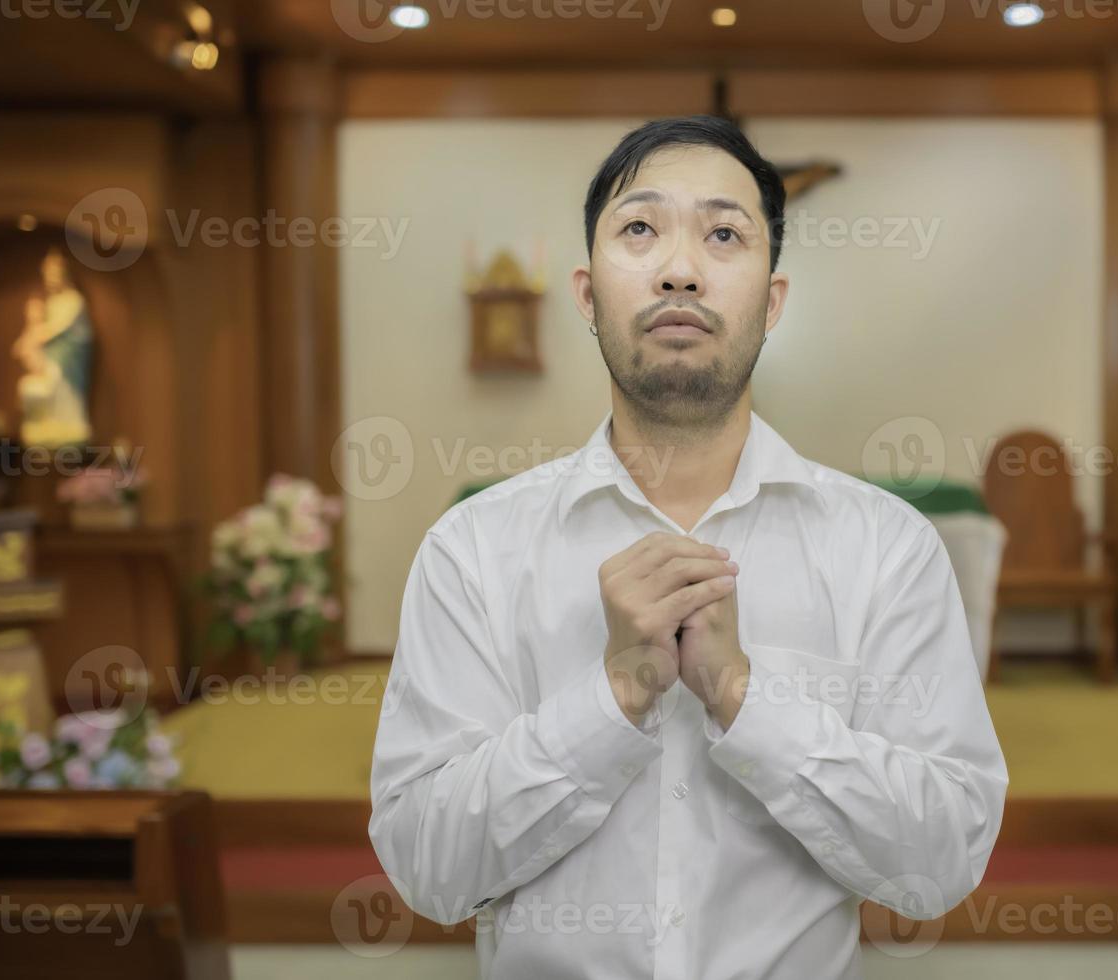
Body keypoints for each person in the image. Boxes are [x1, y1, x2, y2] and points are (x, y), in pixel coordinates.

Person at [368, 115, 1007, 979]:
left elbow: (939, 865)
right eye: (639, 229)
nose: (679, 268)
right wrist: (612, 697)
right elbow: (427, 873)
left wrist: (743, 700)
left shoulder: (885, 548)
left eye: (723, 233)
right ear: (589, 295)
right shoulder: (473, 551)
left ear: (771, 301)